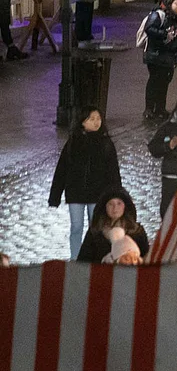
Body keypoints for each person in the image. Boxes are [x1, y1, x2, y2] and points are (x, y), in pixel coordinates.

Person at [50, 108, 120, 256]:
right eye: (92, 119)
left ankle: (94, 258)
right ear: (83, 122)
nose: (96, 122)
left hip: (97, 195)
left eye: (98, 118)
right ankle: (75, 258)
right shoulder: (73, 142)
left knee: (96, 228)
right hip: (76, 193)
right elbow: (62, 169)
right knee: (76, 227)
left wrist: (116, 195)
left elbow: (113, 172)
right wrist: (55, 196)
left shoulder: (106, 143)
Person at [138, 0, 177, 121]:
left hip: (169, 56)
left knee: (164, 82)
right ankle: (149, 109)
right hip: (156, 55)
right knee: (154, 81)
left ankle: (160, 108)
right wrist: (164, 34)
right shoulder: (158, 15)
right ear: (169, 4)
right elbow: (149, 28)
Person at [74, 192, 148, 265]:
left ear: (125, 206)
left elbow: (146, 260)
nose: (115, 208)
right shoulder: (95, 232)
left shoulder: (137, 231)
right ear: (104, 207)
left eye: (119, 203)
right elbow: (82, 263)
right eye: (110, 204)